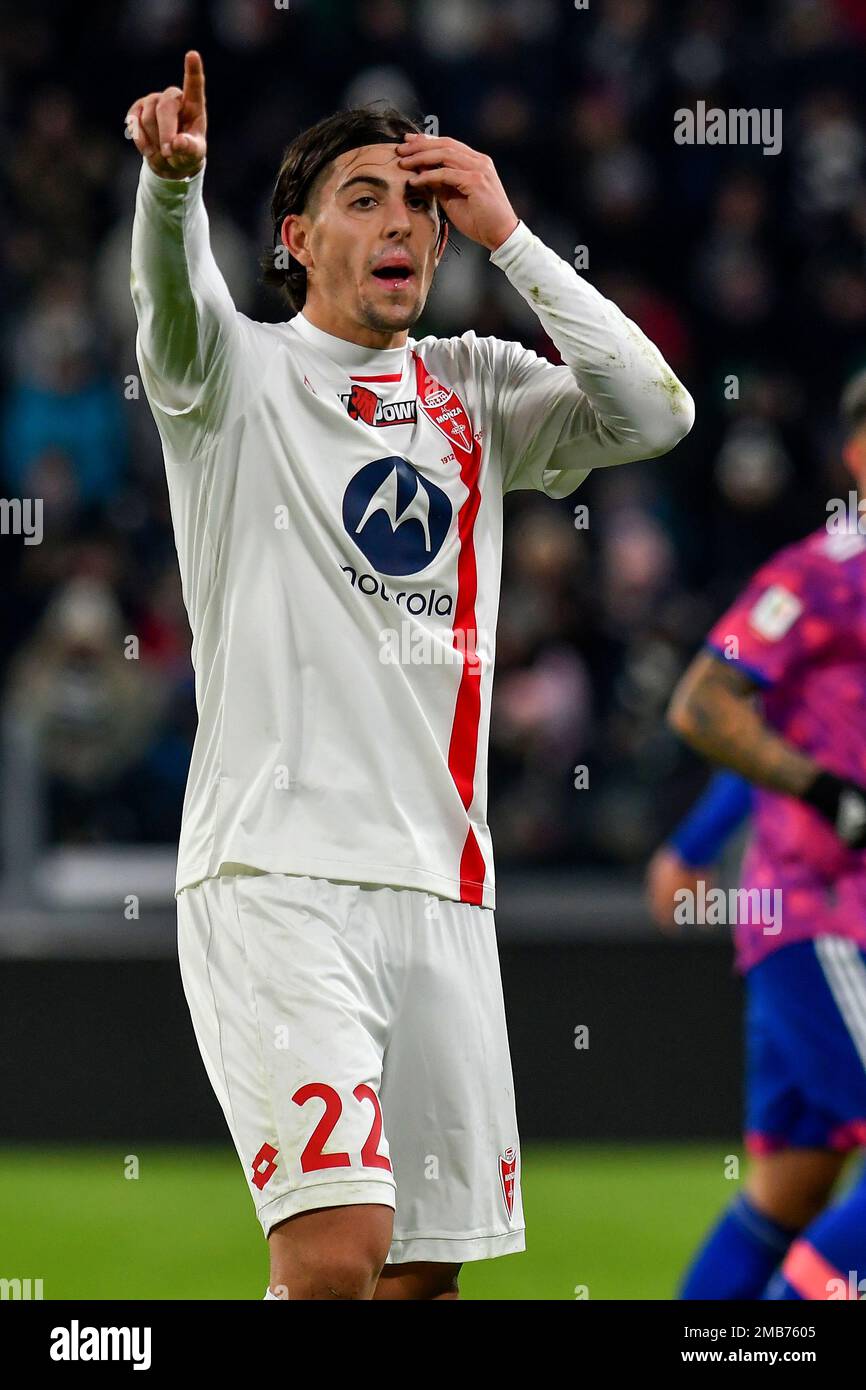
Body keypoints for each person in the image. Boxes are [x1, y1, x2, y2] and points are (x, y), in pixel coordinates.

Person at [127, 50, 693, 1301]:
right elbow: (170, 303)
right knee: (334, 1259)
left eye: (421, 206)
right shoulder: (232, 375)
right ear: (295, 237)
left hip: (442, 887)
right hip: (275, 871)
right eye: (366, 197)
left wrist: (513, 235)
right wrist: (171, 189)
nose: (403, 222)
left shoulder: (471, 387)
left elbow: (656, 415)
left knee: (422, 1280)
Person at [650, 369, 866, 1299]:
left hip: (812, 924)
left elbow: (783, 726)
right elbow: (707, 706)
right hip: (824, 918)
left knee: (789, 1191)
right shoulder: (825, 571)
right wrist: (824, 796)